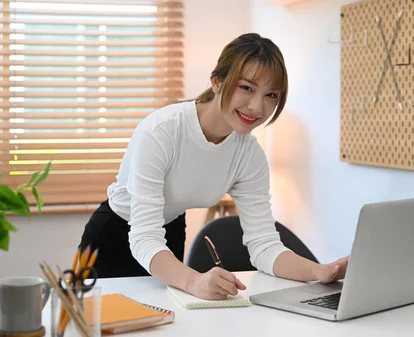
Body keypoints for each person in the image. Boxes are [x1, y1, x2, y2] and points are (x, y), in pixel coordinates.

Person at [78, 33, 349, 300]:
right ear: (218, 82)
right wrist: (194, 281)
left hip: (168, 234)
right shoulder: (161, 131)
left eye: (271, 95)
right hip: (114, 235)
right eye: (247, 88)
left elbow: (264, 246)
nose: (257, 107)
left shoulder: (249, 155)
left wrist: (321, 270)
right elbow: (143, 237)